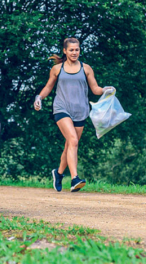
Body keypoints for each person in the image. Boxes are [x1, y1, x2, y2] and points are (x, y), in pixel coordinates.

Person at [33, 37, 114, 192]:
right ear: (65, 51)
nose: (74, 52)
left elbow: (95, 89)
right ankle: (75, 179)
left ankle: (59, 173)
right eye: (71, 50)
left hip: (80, 111)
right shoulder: (57, 69)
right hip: (61, 108)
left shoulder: (86, 68)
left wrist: (105, 90)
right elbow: (48, 87)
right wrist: (39, 97)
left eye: (77, 49)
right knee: (73, 140)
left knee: (70, 145)